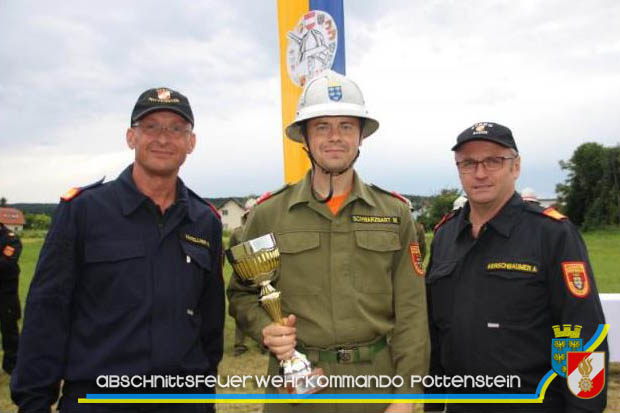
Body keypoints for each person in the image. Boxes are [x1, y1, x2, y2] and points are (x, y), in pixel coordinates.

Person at [11, 87, 225, 413]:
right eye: (150, 127)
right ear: (131, 137)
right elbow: (47, 314)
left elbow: (211, 322)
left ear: (191, 142)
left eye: (176, 129)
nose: (163, 139)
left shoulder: (204, 221)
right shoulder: (83, 212)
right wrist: (33, 402)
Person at [228, 70, 429, 413]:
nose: (335, 137)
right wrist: (266, 329)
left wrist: (407, 394)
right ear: (304, 137)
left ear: (361, 136)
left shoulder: (395, 214)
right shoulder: (268, 214)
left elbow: (412, 312)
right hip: (294, 390)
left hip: (374, 388)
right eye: (322, 126)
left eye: (346, 126)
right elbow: (243, 294)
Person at [425, 122, 607, 412]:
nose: (480, 173)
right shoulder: (445, 236)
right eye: (469, 163)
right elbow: (435, 333)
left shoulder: (552, 233)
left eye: (494, 161)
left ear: (516, 166)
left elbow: (581, 334)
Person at [229, 198, 257, 357]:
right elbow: (232, 253)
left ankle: (264, 344)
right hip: (242, 276)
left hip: (262, 275)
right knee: (241, 309)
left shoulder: (264, 229)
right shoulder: (237, 233)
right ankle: (239, 345)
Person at [0, 222, 22, 375]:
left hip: (5, 293)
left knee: (9, 330)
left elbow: (7, 263)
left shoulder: (10, 238)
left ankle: (12, 365)